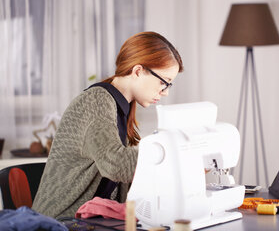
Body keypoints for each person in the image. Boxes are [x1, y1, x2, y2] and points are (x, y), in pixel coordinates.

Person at [32, 31, 183, 218]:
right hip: (59, 222)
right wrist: (179, 157)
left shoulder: (120, 108)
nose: (165, 92)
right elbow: (116, 164)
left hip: (90, 221)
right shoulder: (96, 101)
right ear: (137, 71)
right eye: (164, 82)